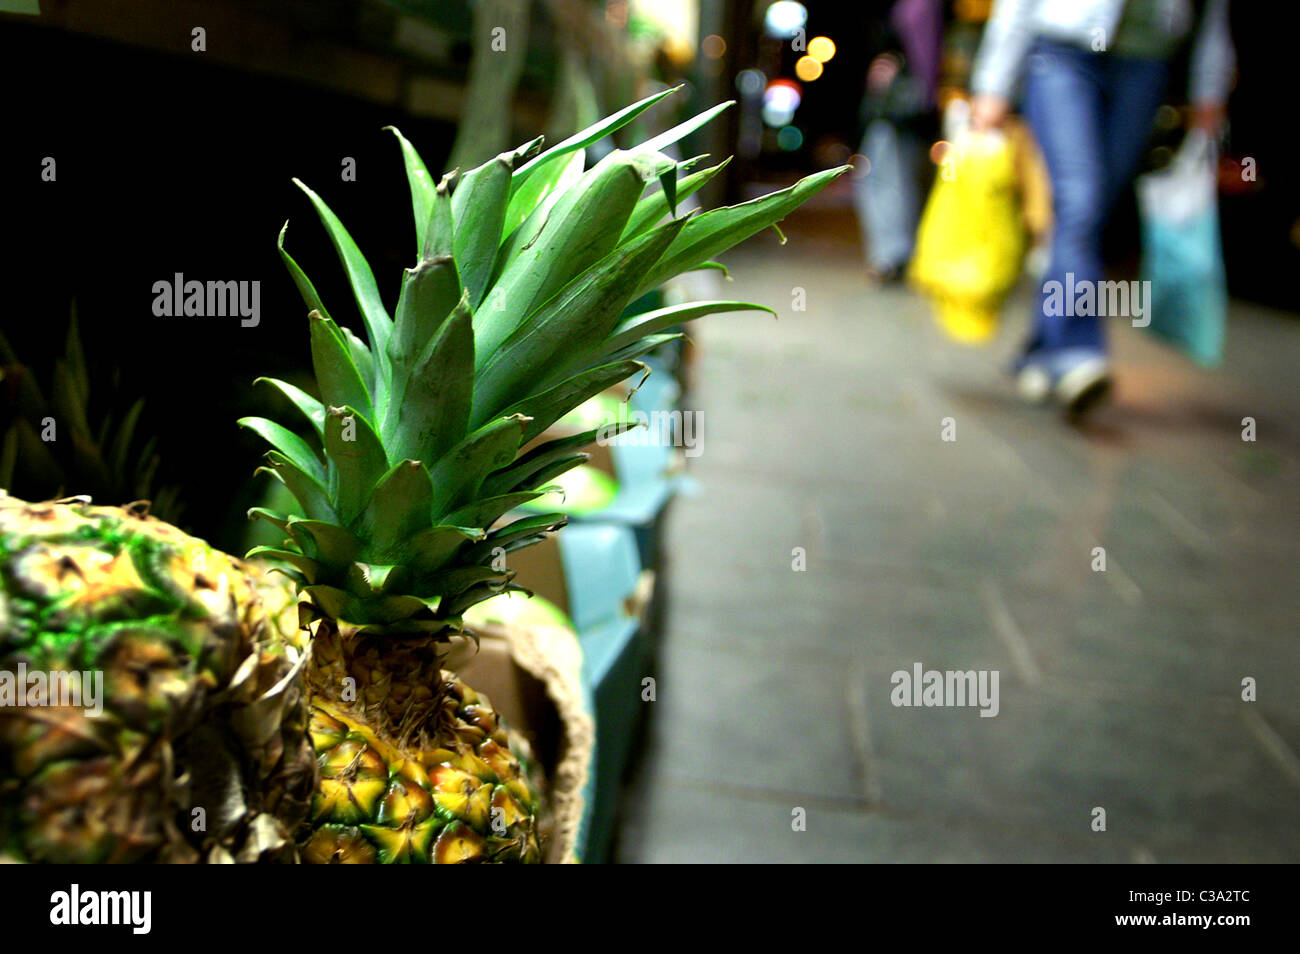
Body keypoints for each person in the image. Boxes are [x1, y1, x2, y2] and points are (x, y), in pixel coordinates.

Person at [969, 0, 1234, 415]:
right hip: (1062, 54)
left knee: (1093, 213)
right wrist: (993, 84)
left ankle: (1041, 350)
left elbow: (1213, 16)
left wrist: (1209, 88)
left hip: (1145, 62)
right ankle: (1077, 353)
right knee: (1080, 202)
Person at [853, 0, 945, 283]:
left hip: (898, 109)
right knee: (893, 179)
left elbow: (922, 56)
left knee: (883, 180)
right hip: (902, 110)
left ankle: (892, 256)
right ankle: (895, 254)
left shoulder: (919, 7)